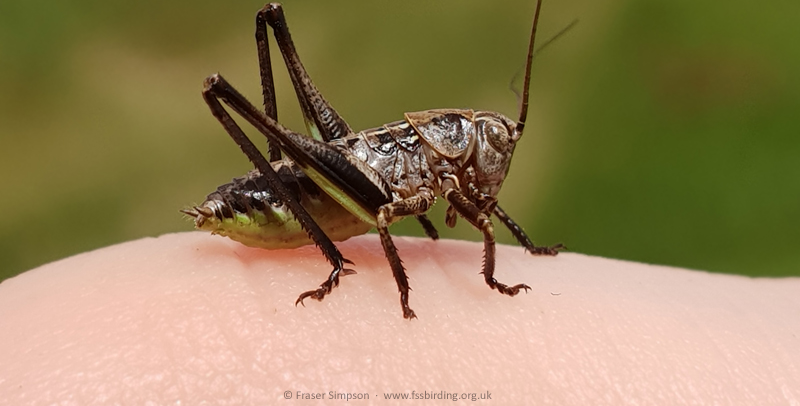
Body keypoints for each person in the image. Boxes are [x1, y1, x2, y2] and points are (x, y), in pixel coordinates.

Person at [1, 231, 798, 404]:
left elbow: (486, 214)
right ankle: (336, 259)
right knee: (378, 214)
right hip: (329, 188)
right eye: (494, 142)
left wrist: (525, 252)